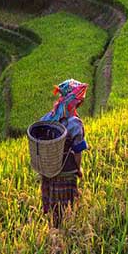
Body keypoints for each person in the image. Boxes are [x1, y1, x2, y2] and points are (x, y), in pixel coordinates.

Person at [39, 79, 89, 226]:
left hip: (48, 170)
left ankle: (54, 231)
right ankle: (63, 236)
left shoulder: (48, 117)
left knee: (53, 206)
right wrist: (78, 169)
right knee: (65, 209)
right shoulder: (74, 123)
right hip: (66, 171)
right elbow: (78, 150)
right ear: (75, 102)